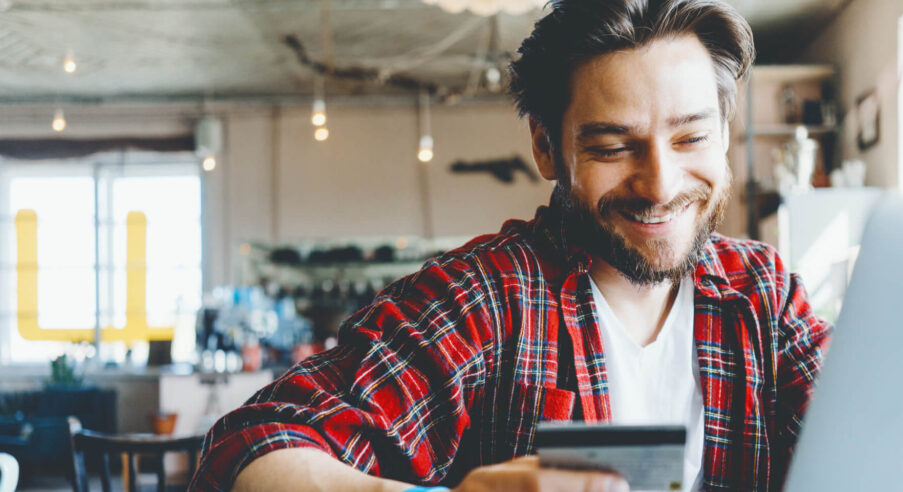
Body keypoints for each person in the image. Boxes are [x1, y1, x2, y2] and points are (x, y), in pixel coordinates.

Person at [191, 0, 831, 491]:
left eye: (691, 138)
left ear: (725, 131)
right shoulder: (485, 298)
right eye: (612, 146)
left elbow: (866, 435)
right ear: (546, 147)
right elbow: (249, 448)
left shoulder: (765, 296)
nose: (660, 183)